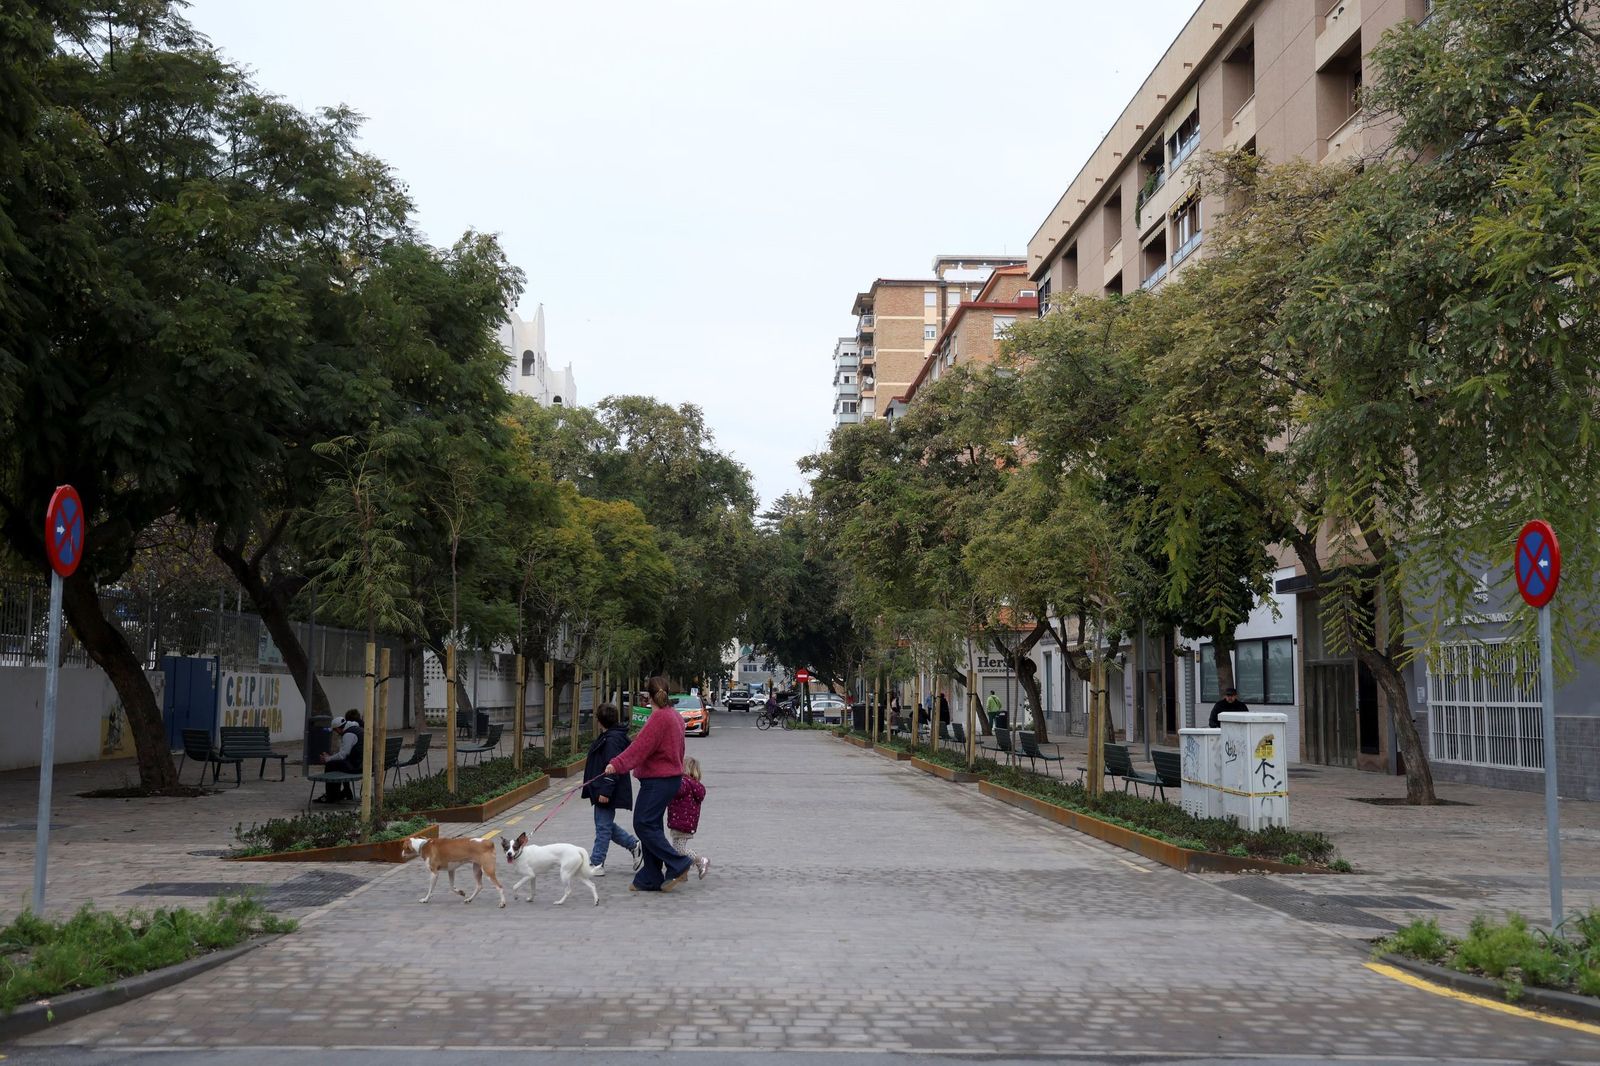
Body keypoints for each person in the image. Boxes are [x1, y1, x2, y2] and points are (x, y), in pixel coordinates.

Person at [605, 677, 696, 893]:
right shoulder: (674, 716)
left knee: (643, 824)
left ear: (648, 696)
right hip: (670, 779)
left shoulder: (659, 718)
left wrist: (615, 765)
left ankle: (677, 862)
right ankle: (651, 876)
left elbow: (640, 750)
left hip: (658, 781)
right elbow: (672, 748)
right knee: (652, 825)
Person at [582, 703, 643, 877]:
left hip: (606, 790)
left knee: (602, 827)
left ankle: (597, 862)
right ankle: (634, 845)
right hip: (602, 788)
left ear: (600, 721)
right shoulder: (612, 736)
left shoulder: (612, 740)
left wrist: (605, 791)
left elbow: (612, 766)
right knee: (605, 825)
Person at [667, 755, 711, 879]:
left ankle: (700, 860)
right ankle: (683, 873)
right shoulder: (695, 785)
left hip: (680, 821)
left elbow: (676, 791)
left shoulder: (684, 783)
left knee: (679, 849)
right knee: (678, 848)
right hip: (686, 822)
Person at [313, 709, 362, 804]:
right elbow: (344, 754)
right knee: (336, 763)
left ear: (338, 728)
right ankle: (342, 793)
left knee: (331, 765)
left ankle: (331, 796)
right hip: (362, 763)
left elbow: (343, 755)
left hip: (358, 766)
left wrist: (328, 759)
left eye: (335, 731)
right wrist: (332, 757)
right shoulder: (356, 729)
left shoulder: (348, 734)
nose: (337, 733)